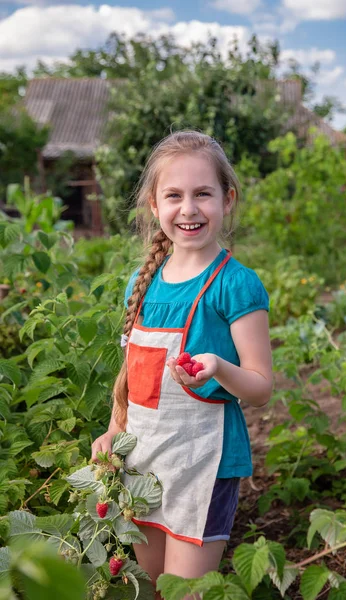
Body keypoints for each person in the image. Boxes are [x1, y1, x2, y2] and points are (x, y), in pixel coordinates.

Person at [91, 130, 273, 585]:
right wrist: (114, 432)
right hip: (145, 460)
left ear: (227, 200)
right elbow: (134, 375)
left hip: (204, 466)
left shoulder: (236, 285)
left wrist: (219, 368)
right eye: (174, 195)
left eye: (203, 194)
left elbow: (261, 388)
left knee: (184, 593)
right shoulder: (141, 280)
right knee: (153, 586)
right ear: (154, 204)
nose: (188, 208)